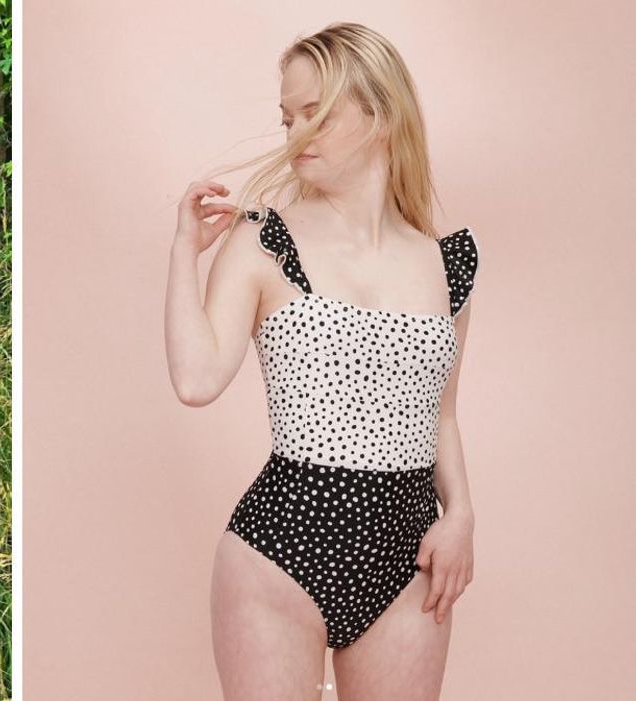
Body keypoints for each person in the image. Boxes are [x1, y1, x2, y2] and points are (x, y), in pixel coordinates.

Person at [164, 22, 477, 700]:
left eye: (316, 112)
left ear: (380, 115)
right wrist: (183, 253)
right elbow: (195, 379)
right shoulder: (262, 242)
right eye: (286, 116)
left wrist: (459, 514)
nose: (294, 130)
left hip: (407, 555)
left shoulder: (446, 264)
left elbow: (441, 413)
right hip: (278, 549)